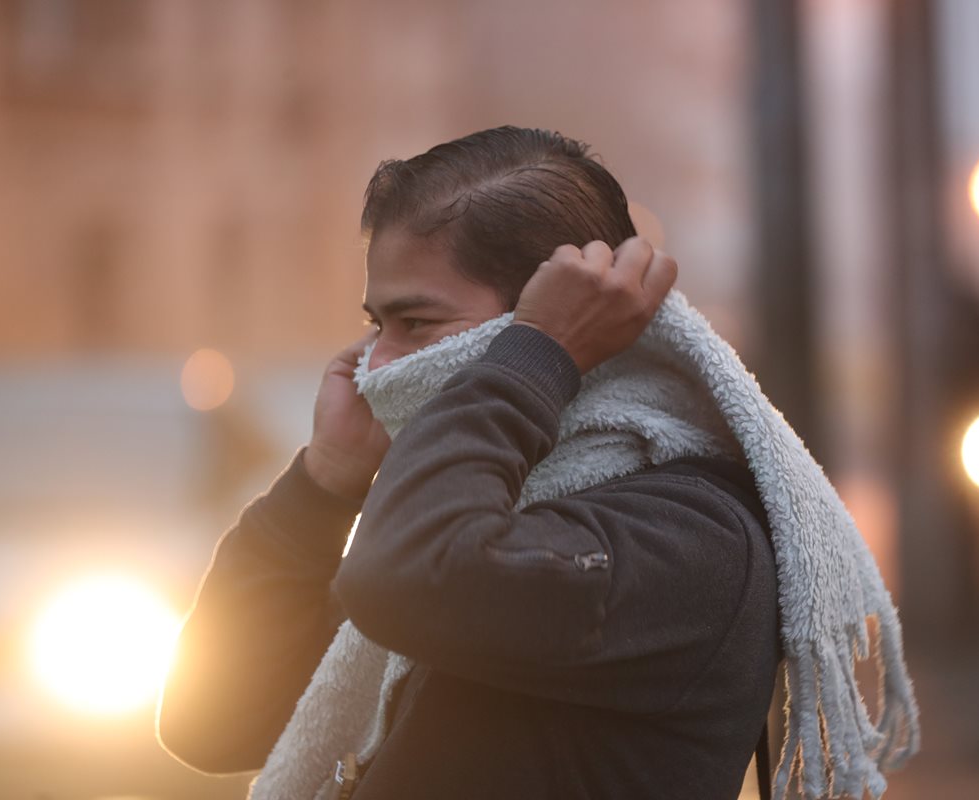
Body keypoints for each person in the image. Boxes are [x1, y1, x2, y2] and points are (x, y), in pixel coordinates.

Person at [157, 126, 783, 799]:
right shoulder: (477, 502)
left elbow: (418, 574)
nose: (377, 365)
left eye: (416, 325)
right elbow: (213, 722)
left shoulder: (689, 536)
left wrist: (538, 355)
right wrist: (324, 482)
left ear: (569, 320)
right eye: (377, 325)